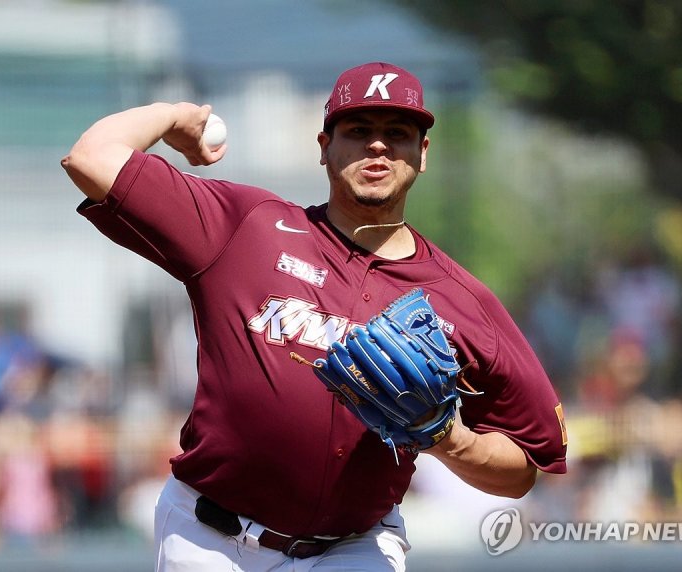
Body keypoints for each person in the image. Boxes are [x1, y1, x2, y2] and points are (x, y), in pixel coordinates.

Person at [61, 62, 567, 571]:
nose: (378, 147)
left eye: (397, 133)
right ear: (324, 147)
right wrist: (172, 116)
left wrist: (446, 438)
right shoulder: (247, 228)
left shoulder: (462, 300)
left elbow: (523, 468)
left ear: (422, 153)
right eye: (358, 130)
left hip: (356, 545)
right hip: (209, 539)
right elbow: (91, 158)